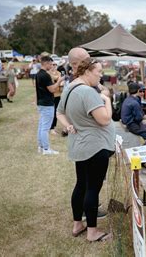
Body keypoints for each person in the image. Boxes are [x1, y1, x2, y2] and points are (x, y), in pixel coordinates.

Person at [56, 58, 115, 242]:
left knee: (81, 184)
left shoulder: (70, 87)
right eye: (99, 71)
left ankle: (77, 225)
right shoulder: (88, 92)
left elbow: (59, 112)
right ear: (88, 71)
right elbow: (104, 119)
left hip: (80, 145)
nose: (101, 75)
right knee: (92, 189)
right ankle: (92, 232)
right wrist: (107, 100)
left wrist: (68, 126)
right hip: (95, 147)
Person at [36, 55, 64, 155]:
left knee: (41, 126)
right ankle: (46, 149)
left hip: (41, 103)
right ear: (46, 63)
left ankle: (41, 147)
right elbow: (52, 89)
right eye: (51, 64)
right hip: (47, 103)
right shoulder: (45, 75)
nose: (52, 66)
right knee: (45, 128)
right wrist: (59, 82)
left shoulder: (39, 74)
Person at [48, 62, 64, 135]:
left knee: (57, 111)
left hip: (58, 94)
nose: (54, 66)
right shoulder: (48, 73)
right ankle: (51, 127)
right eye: (52, 64)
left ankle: (53, 126)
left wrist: (59, 80)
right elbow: (54, 79)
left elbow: (61, 80)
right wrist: (59, 79)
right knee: (52, 111)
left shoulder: (58, 72)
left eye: (55, 65)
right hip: (51, 95)